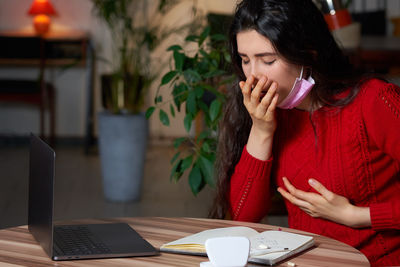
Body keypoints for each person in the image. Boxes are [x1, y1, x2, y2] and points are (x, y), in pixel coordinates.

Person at [209, 0, 400, 265]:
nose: (253, 76)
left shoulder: (374, 101)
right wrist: (261, 130)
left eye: (267, 60)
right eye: (245, 60)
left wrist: (357, 215)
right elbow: (243, 218)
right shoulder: (271, 115)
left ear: (308, 54)